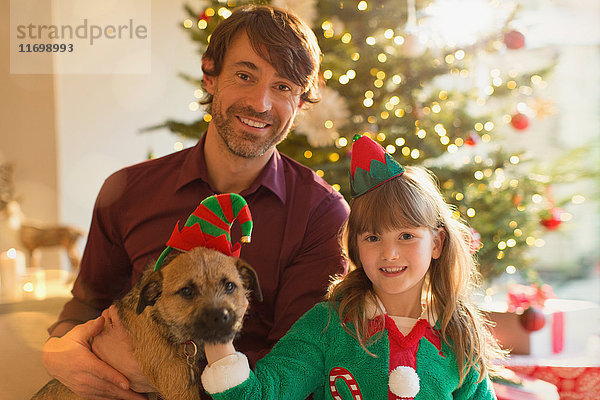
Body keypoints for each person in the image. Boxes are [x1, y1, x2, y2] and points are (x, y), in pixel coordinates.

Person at [42, 5, 349, 399]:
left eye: (284, 87)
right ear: (209, 75)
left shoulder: (321, 214)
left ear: (302, 102)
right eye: (244, 75)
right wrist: (59, 352)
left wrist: (166, 374)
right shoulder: (127, 190)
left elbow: (301, 364)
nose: (260, 103)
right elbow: (87, 303)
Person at [201, 134, 504, 399]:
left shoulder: (459, 335)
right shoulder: (329, 325)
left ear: (437, 243)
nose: (390, 253)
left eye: (406, 236)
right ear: (356, 246)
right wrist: (216, 334)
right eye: (373, 237)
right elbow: (261, 394)